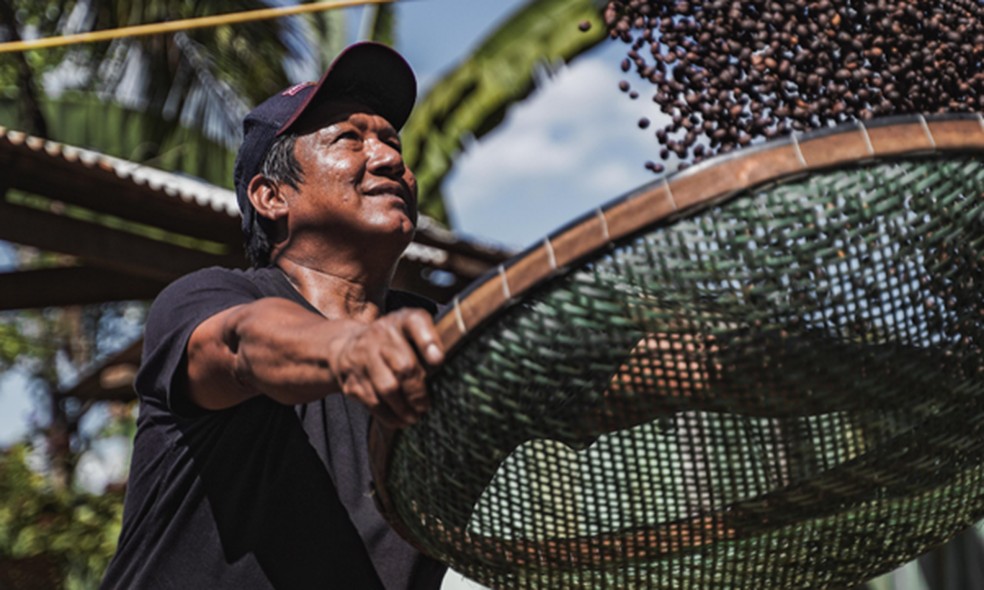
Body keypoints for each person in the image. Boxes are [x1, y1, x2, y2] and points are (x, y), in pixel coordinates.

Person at [101, 42, 448, 589]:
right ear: (271, 196)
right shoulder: (206, 298)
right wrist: (350, 347)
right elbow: (241, 345)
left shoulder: (446, 331)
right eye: (349, 139)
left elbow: (577, 383)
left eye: (391, 141)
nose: (389, 159)